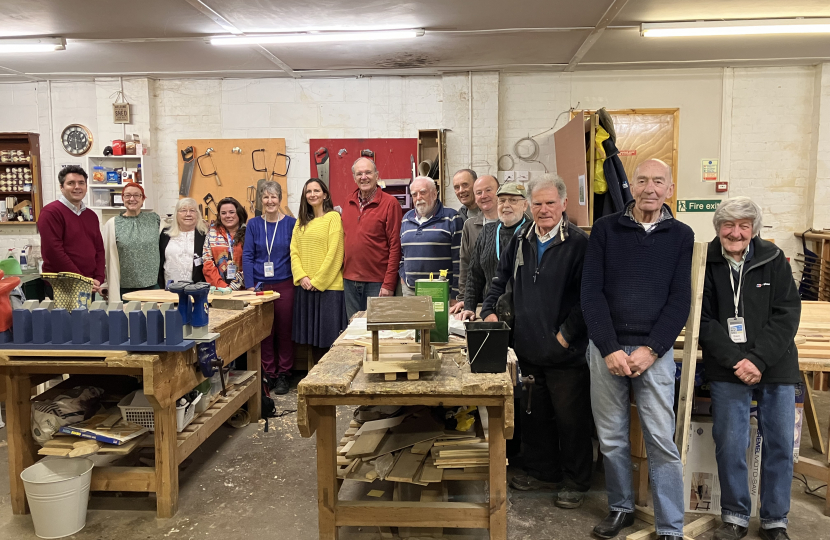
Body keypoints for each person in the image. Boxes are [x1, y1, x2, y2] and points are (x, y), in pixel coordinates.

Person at [582, 159, 693, 540]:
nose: (650, 188)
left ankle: (670, 526)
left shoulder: (681, 235)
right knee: (612, 437)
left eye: (658, 181)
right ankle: (621, 508)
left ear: (670, 188)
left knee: (661, 439)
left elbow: (680, 300)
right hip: (606, 349)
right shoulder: (605, 229)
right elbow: (590, 293)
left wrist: (652, 349)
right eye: (642, 180)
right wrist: (609, 347)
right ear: (632, 185)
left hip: (654, 353)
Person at [481, 174, 592, 509]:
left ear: (564, 205)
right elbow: (500, 280)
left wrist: (564, 336)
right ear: (529, 205)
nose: (544, 210)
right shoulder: (521, 239)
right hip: (527, 348)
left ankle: (576, 481)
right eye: (538, 204)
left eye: (550, 203)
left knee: (571, 420)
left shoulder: (579, 244)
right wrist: (489, 311)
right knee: (534, 415)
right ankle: (544, 472)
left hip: (564, 353)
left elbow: (588, 299)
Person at [699, 197, 800, 540]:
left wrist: (757, 360)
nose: (736, 232)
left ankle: (775, 521)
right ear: (718, 228)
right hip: (728, 367)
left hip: (775, 364)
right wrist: (735, 361)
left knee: (780, 443)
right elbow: (704, 319)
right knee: (730, 442)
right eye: (728, 225)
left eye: (744, 225)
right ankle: (735, 516)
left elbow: (787, 314)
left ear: (754, 229)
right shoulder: (705, 261)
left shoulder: (774, 259)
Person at [242, 181, 296, 395]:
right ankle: (269, 373)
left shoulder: (291, 223)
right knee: (265, 331)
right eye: (266, 197)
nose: (270, 201)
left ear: (280, 199)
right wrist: (249, 285)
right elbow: (247, 255)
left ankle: (284, 374)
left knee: (284, 330)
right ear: (260, 201)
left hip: (285, 283)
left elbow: (295, 254)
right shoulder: (254, 224)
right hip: (260, 286)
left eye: (274, 197)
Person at [291, 179, 347, 360]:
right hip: (306, 287)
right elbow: (294, 251)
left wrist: (318, 281)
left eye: (317, 191)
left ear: (325, 195)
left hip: (329, 288)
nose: (312, 194)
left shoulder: (333, 218)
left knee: (330, 341)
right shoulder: (300, 221)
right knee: (312, 342)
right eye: (309, 191)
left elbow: (336, 253)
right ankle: (316, 381)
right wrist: (302, 277)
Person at [457, 182, 528, 321]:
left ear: (525, 205)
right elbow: (474, 274)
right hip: (491, 312)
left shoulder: (532, 233)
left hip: (524, 315)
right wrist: (470, 308)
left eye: (513, 200)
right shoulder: (487, 232)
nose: (506, 205)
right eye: (502, 201)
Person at [341, 157, 402, 320]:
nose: (364, 177)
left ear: (376, 175)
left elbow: (395, 246)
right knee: (354, 332)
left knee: (379, 332)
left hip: (378, 282)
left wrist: (389, 284)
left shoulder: (390, 203)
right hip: (349, 281)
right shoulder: (348, 202)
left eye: (368, 172)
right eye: (359, 174)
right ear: (354, 178)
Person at [38, 165, 105, 294]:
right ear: (61, 187)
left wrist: (99, 277)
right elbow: (54, 252)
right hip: (62, 286)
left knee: (88, 315)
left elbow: (99, 249)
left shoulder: (91, 215)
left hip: (89, 284)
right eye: (71, 183)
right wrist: (80, 281)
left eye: (81, 183)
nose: (77, 187)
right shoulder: (51, 213)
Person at [399, 176, 464, 298]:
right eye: (414, 194)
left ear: (434, 194)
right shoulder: (406, 219)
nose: (418, 198)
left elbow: (459, 261)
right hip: (411, 291)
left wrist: (456, 294)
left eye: (423, 192)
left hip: (441, 291)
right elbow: (403, 255)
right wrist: (404, 278)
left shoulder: (452, 218)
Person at [102, 182, 160, 301]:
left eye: (136, 195)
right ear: (122, 198)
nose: (132, 199)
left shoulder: (154, 220)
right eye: (127, 195)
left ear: (143, 198)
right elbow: (105, 255)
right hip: (124, 288)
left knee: (155, 319)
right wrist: (105, 283)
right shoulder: (113, 224)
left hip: (153, 286)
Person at [450, 175, 499, 314]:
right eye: (479, 193)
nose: (484, 196)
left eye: (489, 190)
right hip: (480, 303)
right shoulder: (470, 226)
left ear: (499, 192)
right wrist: (464, 299)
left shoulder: (514, 224)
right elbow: (466, 265)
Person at [158, 198, 207, 287]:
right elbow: (160, 260)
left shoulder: (204, 235)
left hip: (196, 289)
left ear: (198, 215)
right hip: (169, 288)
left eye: (192, 211)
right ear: (176, 214)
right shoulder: (165, 234)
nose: (188, 214)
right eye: (183, 210)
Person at [203, 197, 247, 290]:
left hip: (244, 289)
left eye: (231, 212)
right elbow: (207, 261)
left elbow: (251, 261)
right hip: (218, 289)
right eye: (223, 213)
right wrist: (222, 286)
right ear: (219, 215)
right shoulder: (212, 233)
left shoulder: (248, 232)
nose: (227, 216)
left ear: (239, 213)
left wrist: (233, 286)